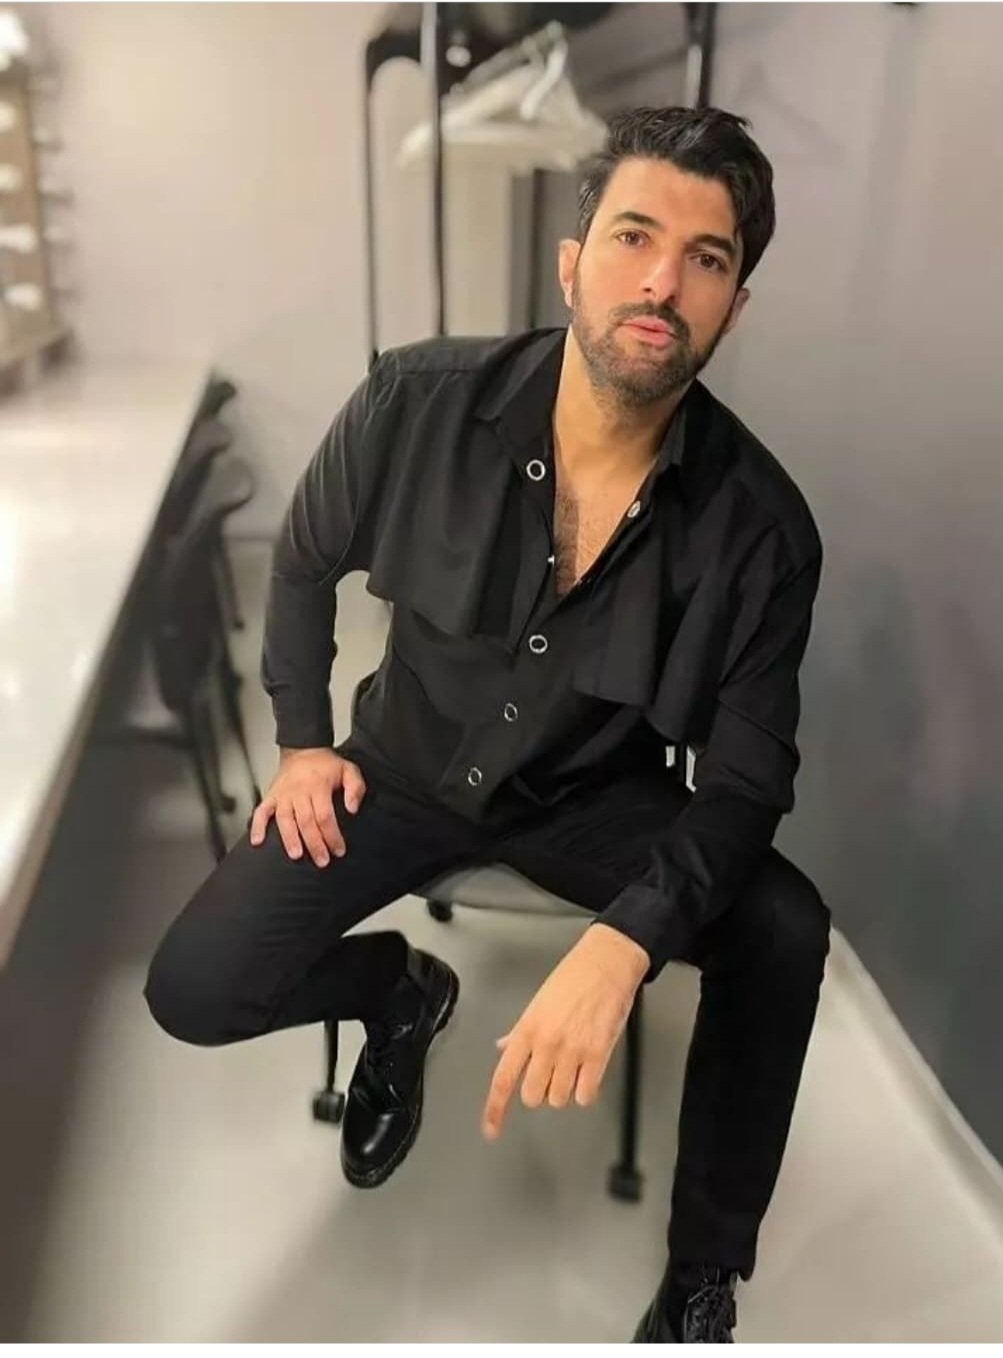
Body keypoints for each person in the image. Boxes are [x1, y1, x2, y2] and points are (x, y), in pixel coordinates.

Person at [144, 105, 831, 1344]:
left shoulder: (765, 531)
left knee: (783, 924)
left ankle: (703, 1273)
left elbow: (742, 782)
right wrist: (301, 739)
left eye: (707, 257)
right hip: (400, 767)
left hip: (594, 800)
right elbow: (302, 561)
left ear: (734, 306)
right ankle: (398, 992)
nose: (662, 282)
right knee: (193, 983)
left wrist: (629, 939)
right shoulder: (414, 398)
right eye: (633, 236)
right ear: (573, 262)